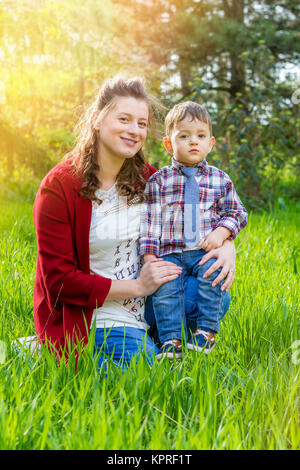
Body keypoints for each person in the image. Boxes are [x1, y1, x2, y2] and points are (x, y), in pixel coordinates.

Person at [33, 77, 236, 371]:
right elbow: (59, 282)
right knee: (149, 378)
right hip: (96, 315)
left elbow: (201, 213)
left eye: (141, 123)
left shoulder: (149, 178)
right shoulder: (60, 186)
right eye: (124, 119)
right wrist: (138, 286)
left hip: (150, 304)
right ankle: (47, 350)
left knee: (215, 296)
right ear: (97, 119)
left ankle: (152, 341)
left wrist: (227, 243)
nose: (134, 130)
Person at [139, 101, 248, 359]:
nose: (193, 142)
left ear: (210, 143)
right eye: (184, 136)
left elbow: (237, 212)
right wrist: (150, 258)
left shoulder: (220, 179)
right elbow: (151, 222)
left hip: (203, 250)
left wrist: (222, 233)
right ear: (169, 144)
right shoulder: (159, 181)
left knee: (213, 279)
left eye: (200, 136)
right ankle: (170, 341)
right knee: (165, 292)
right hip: (170, 252)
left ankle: (206, 332)